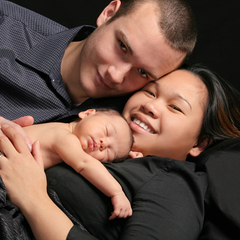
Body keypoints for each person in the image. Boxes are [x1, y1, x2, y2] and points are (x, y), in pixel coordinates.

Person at [1, 64, 240, 240]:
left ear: (199, 144)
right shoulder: (90, 128)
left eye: (175, 107)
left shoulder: (174, 182)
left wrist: (33, 199)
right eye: (150, 92)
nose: (151, 106)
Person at [0, 0, 196, 126]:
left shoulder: (135, 119)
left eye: (143, 72)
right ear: (108, 14)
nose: (116, 75)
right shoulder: (4, 25)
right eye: (122, 46)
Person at [22, 108, 133, 220]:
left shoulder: (60, 128)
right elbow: (85, 163)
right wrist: (117, 192)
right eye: (107, 131)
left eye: (108, 152)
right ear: (87, 113)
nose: (103, 144)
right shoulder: (65, 137)